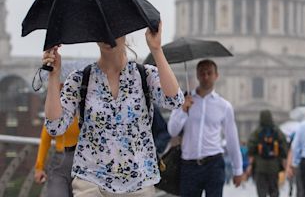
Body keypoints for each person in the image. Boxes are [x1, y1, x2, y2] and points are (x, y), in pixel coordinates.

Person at [43, 22, 184, 196]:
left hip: (139, 183)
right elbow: (54, 126)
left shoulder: (144, 75)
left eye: (114, 29)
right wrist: (53, 76)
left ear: (126, 32)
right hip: (91, 182)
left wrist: (156, 49)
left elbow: (175, 101)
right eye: (101, 29)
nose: (108, 35)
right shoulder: (80, 79)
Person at [168, 59, 244, 196]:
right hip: (188, 165)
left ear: (216, 76)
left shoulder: (224, 106)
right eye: (202, 73)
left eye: (209, 73)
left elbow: (232, 139)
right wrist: (183, 111)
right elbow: (172, 130)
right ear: (197, 75)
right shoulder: (183, 100)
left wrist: (238, 170)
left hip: (213, 164)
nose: (206, 76)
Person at [34, 114, 80, 196]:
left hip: (84, 165)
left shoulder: (90, 108)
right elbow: (45, 140)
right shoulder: (58, 109)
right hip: (60, 163)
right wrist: (39, 168)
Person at [245, 110, 288, 197]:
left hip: (260, 167)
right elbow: (284, 148)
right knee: (274, 190)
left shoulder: (256, 132)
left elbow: (250, 148)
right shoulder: (277, 132)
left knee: (261, 191)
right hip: (274, 167)